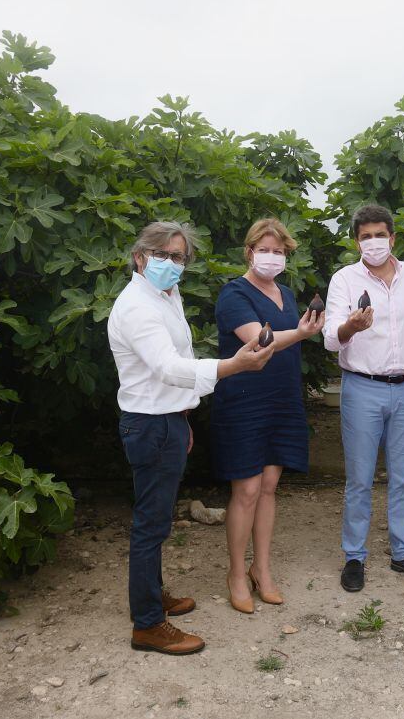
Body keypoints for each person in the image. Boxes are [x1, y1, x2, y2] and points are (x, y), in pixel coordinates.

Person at [108, 221, 275, 655]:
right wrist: (232, 366)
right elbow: (168, 368)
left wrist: (183, 419)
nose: (171, 263)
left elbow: (178, 361)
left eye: (178, 256)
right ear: (139, 257)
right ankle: (147, 625)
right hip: (151, 423)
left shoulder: (165, 295)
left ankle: (151, 595)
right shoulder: (137, 307)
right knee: (150, 525)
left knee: (157, 520)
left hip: (167, 420)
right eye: (161, 254)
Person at [323, 204, 404, 593]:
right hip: (362, 387)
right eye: (365, 236)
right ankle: (354, 556)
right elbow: (330, 339)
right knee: (359, 479)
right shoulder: (344, 279)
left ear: (392, 237)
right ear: (356, 241)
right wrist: (350, 327)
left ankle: (403, 552)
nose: (373, 242)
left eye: (380, 235)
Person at [211, 218, 324, 614]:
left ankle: (261, 568)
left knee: (270, 487)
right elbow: (260, 341)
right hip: (244, 400)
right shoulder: (233, 294)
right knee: (246, 490)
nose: (272, 257)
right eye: (265, 249)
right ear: (249, 252)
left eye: (279, 251)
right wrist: (303, 333)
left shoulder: (286, 293)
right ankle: (236, 574)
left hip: (282, 399)